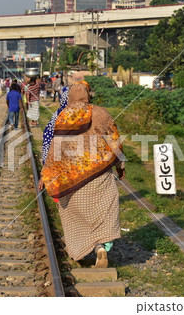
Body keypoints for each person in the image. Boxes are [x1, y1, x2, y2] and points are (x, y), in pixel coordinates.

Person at [38, 82, 125, 268]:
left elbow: (55, 149)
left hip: (72, 177)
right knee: (103, 210)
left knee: (74, 215)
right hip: (100, 174)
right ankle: (100, 248)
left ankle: (81, 250)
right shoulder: (101, 112)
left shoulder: (63, 116)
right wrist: (120, 164)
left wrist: (46, 174)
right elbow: (114, 138)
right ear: (88, 95)